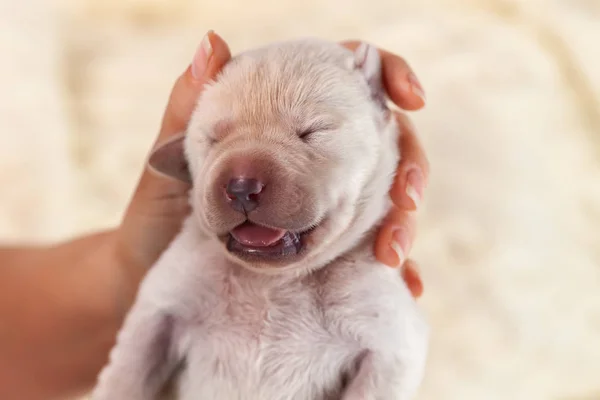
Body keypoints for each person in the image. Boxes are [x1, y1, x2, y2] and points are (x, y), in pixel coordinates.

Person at [0, 31, 429, 400]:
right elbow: (149, 333)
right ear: (182, 157)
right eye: (214, 140)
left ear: (379, 114)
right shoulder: (194, 261)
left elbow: (396, 354)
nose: (243, 182)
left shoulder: (367, 279)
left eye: (310, 133)